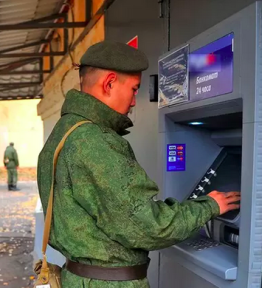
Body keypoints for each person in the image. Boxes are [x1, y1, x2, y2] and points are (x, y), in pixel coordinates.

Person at [36, 41, 241, 287]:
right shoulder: (95, 141)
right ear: (109, 83)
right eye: (134, 89)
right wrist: (210, 206)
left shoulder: (63, 133)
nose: (135, 101)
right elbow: (149, 226)